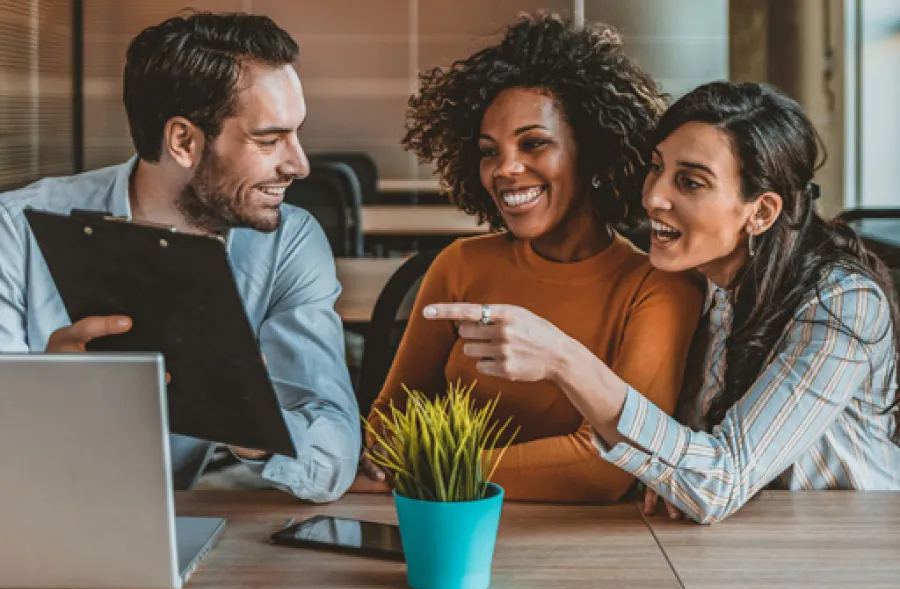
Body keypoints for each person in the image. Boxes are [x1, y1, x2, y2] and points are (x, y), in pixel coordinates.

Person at [425, 81, 900, 522]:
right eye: (657, 168)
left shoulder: (842, 304)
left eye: (690, 182)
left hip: (851, 550)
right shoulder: (699, 286)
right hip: (749, 546)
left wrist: (564, 358)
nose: (653, 197)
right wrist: (672, 471)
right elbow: (694, 466)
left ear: (761, 212)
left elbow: (718, 481)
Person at [0, 12, 360, 502]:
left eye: (296, 134)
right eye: (269, 139)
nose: (299, 164)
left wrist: (254, 425)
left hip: (180, 525)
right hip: (36, 515)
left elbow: (336, 453)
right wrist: (49, 395)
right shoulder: (14, 229)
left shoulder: (289, 242)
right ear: (184, 141)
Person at [358, 13, 704, 502]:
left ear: (592, 151)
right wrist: (404, 461)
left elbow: (608, 468)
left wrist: (438, 470)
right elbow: (389, 423)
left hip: (578, 548)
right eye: (488, 152)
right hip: (445, 528)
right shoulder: (459, 265)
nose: (506, 169)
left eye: (533, 143)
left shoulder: (658, 286)